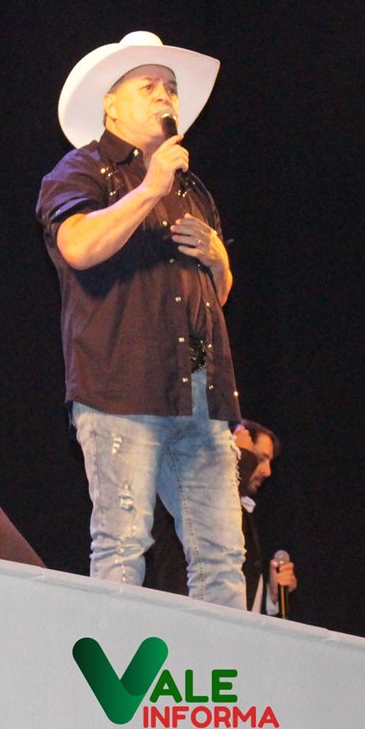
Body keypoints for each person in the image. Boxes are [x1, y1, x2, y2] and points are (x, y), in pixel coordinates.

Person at [36, 30, 246, 608]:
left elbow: (213, 296)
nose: (165, 97)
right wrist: (151, 187)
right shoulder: (84, 169)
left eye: (171, 88)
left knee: (222, 556)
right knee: (124, 544)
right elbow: (78, 246)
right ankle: (112, 664)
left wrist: (219, 260)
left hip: (198, 388)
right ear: (111, 104)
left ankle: (220, 666)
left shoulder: (192, 188)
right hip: (121, 387)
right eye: (148, 85)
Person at [144, 419, 298, 615]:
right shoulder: (181, 494)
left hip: (219, 626)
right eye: (259, 459)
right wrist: (240, 458)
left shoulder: (247, 513)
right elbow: (210, 523)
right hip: (180, 620)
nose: (267, 471)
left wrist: (271, 596)